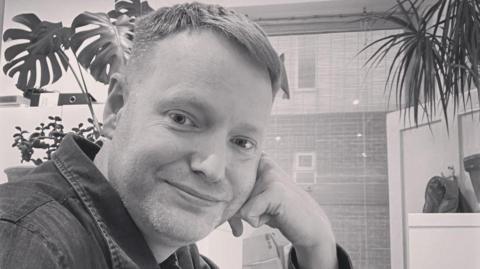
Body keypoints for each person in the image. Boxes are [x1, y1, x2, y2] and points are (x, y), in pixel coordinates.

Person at [0, 2, 352, 269]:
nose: (212, 168)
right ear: (117, 108)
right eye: (183, 119)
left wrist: (317, 244)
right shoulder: (32, 243)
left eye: (242, 142)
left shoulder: (174, 253)